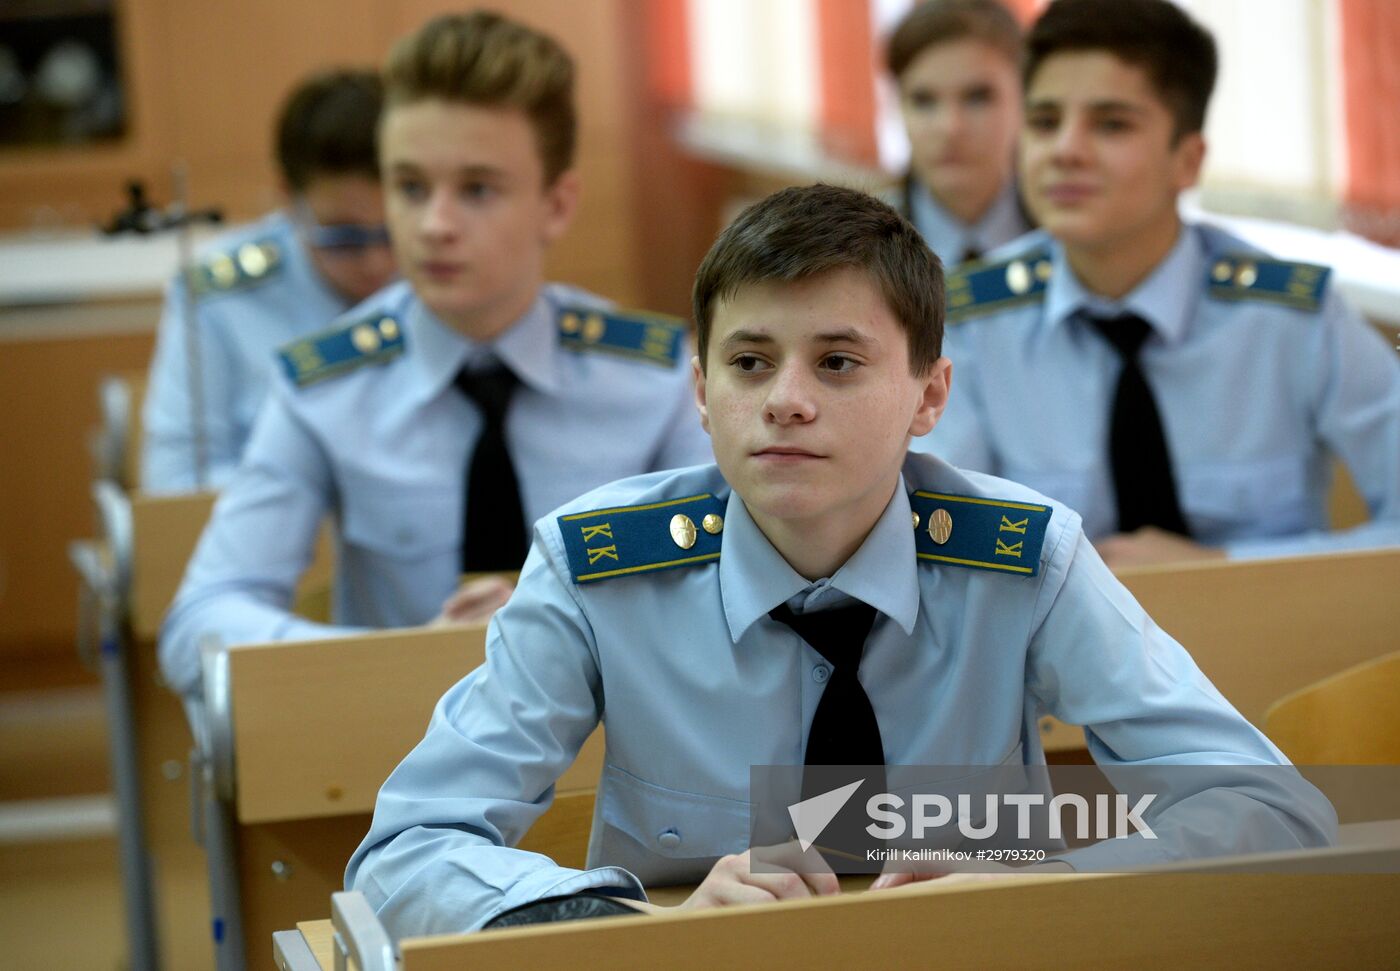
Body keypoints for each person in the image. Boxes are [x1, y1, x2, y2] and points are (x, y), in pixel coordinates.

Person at [345, 184, 1333, 939]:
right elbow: (402, 853)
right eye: (746, 361)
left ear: (928, 394)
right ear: (697, 388)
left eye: (837, 361)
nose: (783, 398)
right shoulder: (593, 570)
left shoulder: (1025, 560)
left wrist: (1049, 874)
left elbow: (1269, 809)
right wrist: (634, 920)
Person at [157, 11, 712, 703]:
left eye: (477, 189)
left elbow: (730, 591)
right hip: (405, 763)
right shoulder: (325, 389)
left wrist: (566, 620)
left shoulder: (652, 379)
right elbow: (201, 619)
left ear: (557, 204)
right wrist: (406, 656)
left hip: (624, 761)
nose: (433, 226)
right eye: (410, 187)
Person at [911, 0, 1400, 567]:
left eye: (1112, 124)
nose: (1065, 150)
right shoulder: (970, 323)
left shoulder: (1295, 320)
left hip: (1268, 642)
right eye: (1044, 122)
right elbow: (941, 532)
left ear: (1187, 162)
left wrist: (1223, 566)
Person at [141, 69, 396, 493]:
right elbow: (176, 484)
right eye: (342, 236)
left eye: (392, 233)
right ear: (287, 196)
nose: (376, 261)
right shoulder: (219, 296)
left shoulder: (448, 275)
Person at [885, 0, 1031, 269]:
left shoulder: (1076, 241)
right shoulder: (858, 257)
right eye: (923, 100)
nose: (950, 127)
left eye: (978, 97)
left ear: (1024, 97)